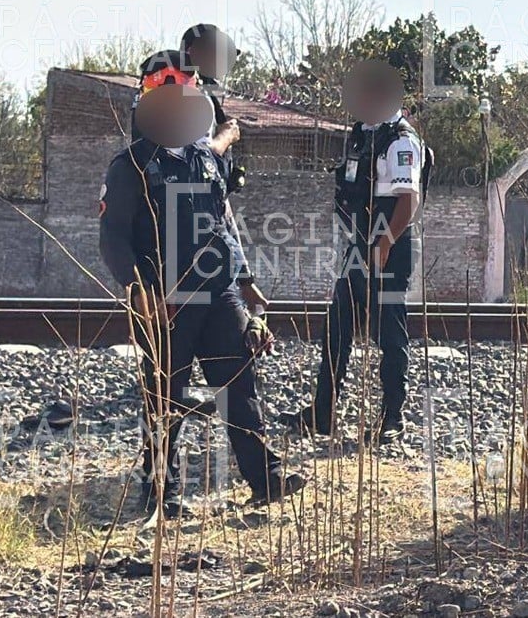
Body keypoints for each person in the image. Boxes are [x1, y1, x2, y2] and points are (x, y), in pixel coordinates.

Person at [99, 49, 304, 517]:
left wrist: (246, 278)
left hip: (220, 294)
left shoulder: (204, 159)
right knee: (164, 399)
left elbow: (223, 221)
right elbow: (113, 239)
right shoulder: (129, 167)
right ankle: (159, 496)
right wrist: (140, 291)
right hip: (166, 300)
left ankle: (265, 479)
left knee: (239, 387)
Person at [280, 87, 422, 445]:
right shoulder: (364, 135)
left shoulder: (401, 141)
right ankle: (322, 413)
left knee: (389, 334)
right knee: (337, 329)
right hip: (359, 246)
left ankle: (393, 417)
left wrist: (385, 243)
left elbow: (409, 200)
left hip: (389, 247)